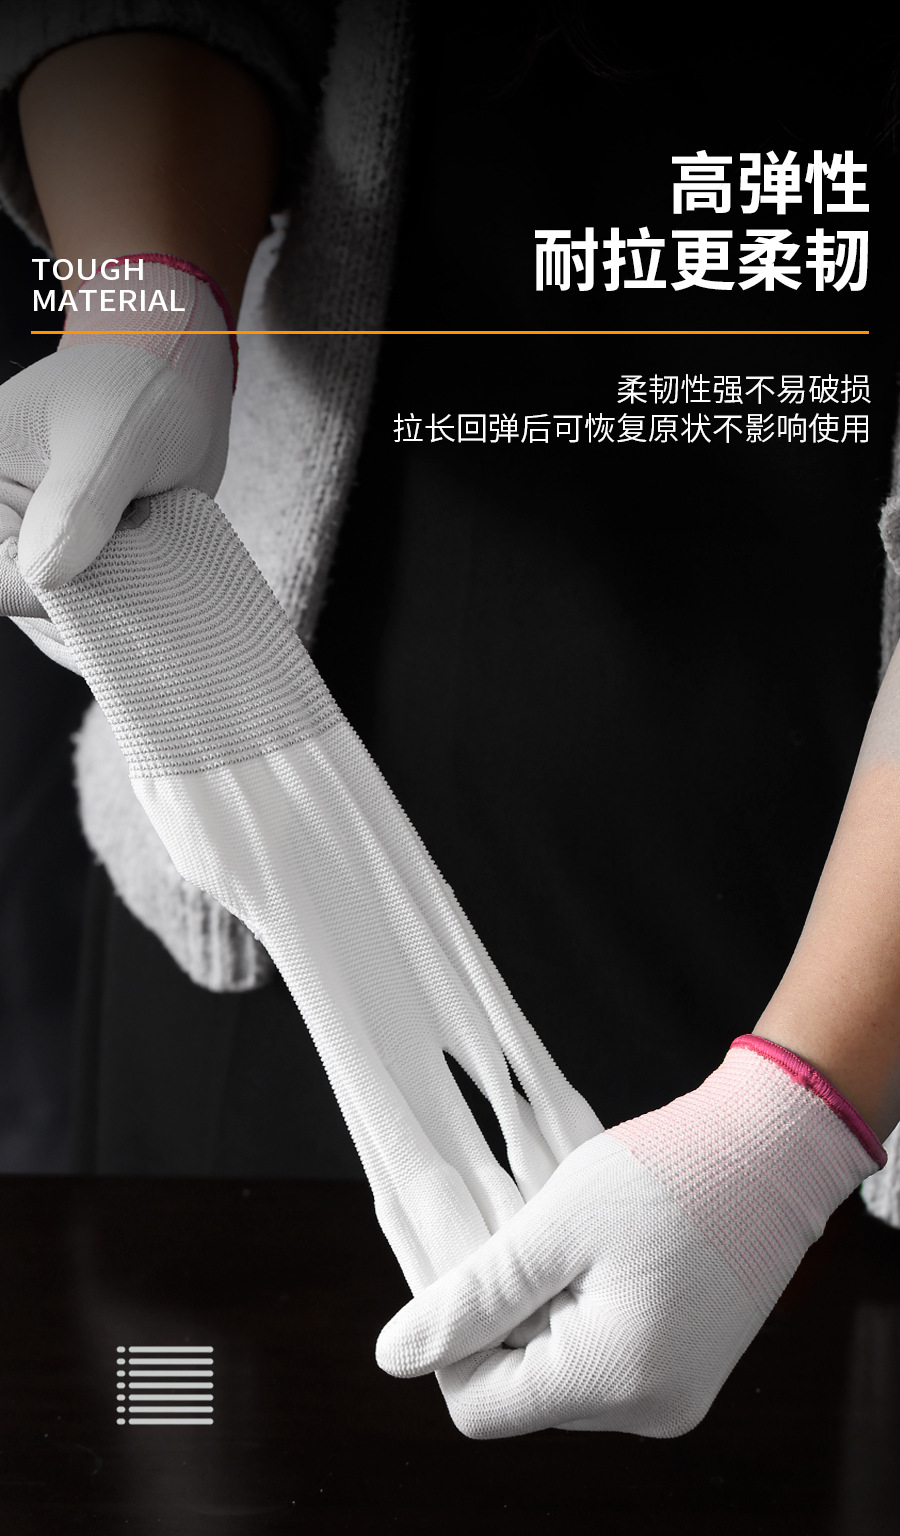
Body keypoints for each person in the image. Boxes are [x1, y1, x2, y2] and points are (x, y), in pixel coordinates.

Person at [0, 3, 898, 1437]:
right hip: (265, 730)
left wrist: (794, 1129)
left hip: (834, 905)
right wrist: (144, 294)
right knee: (184, 1421)